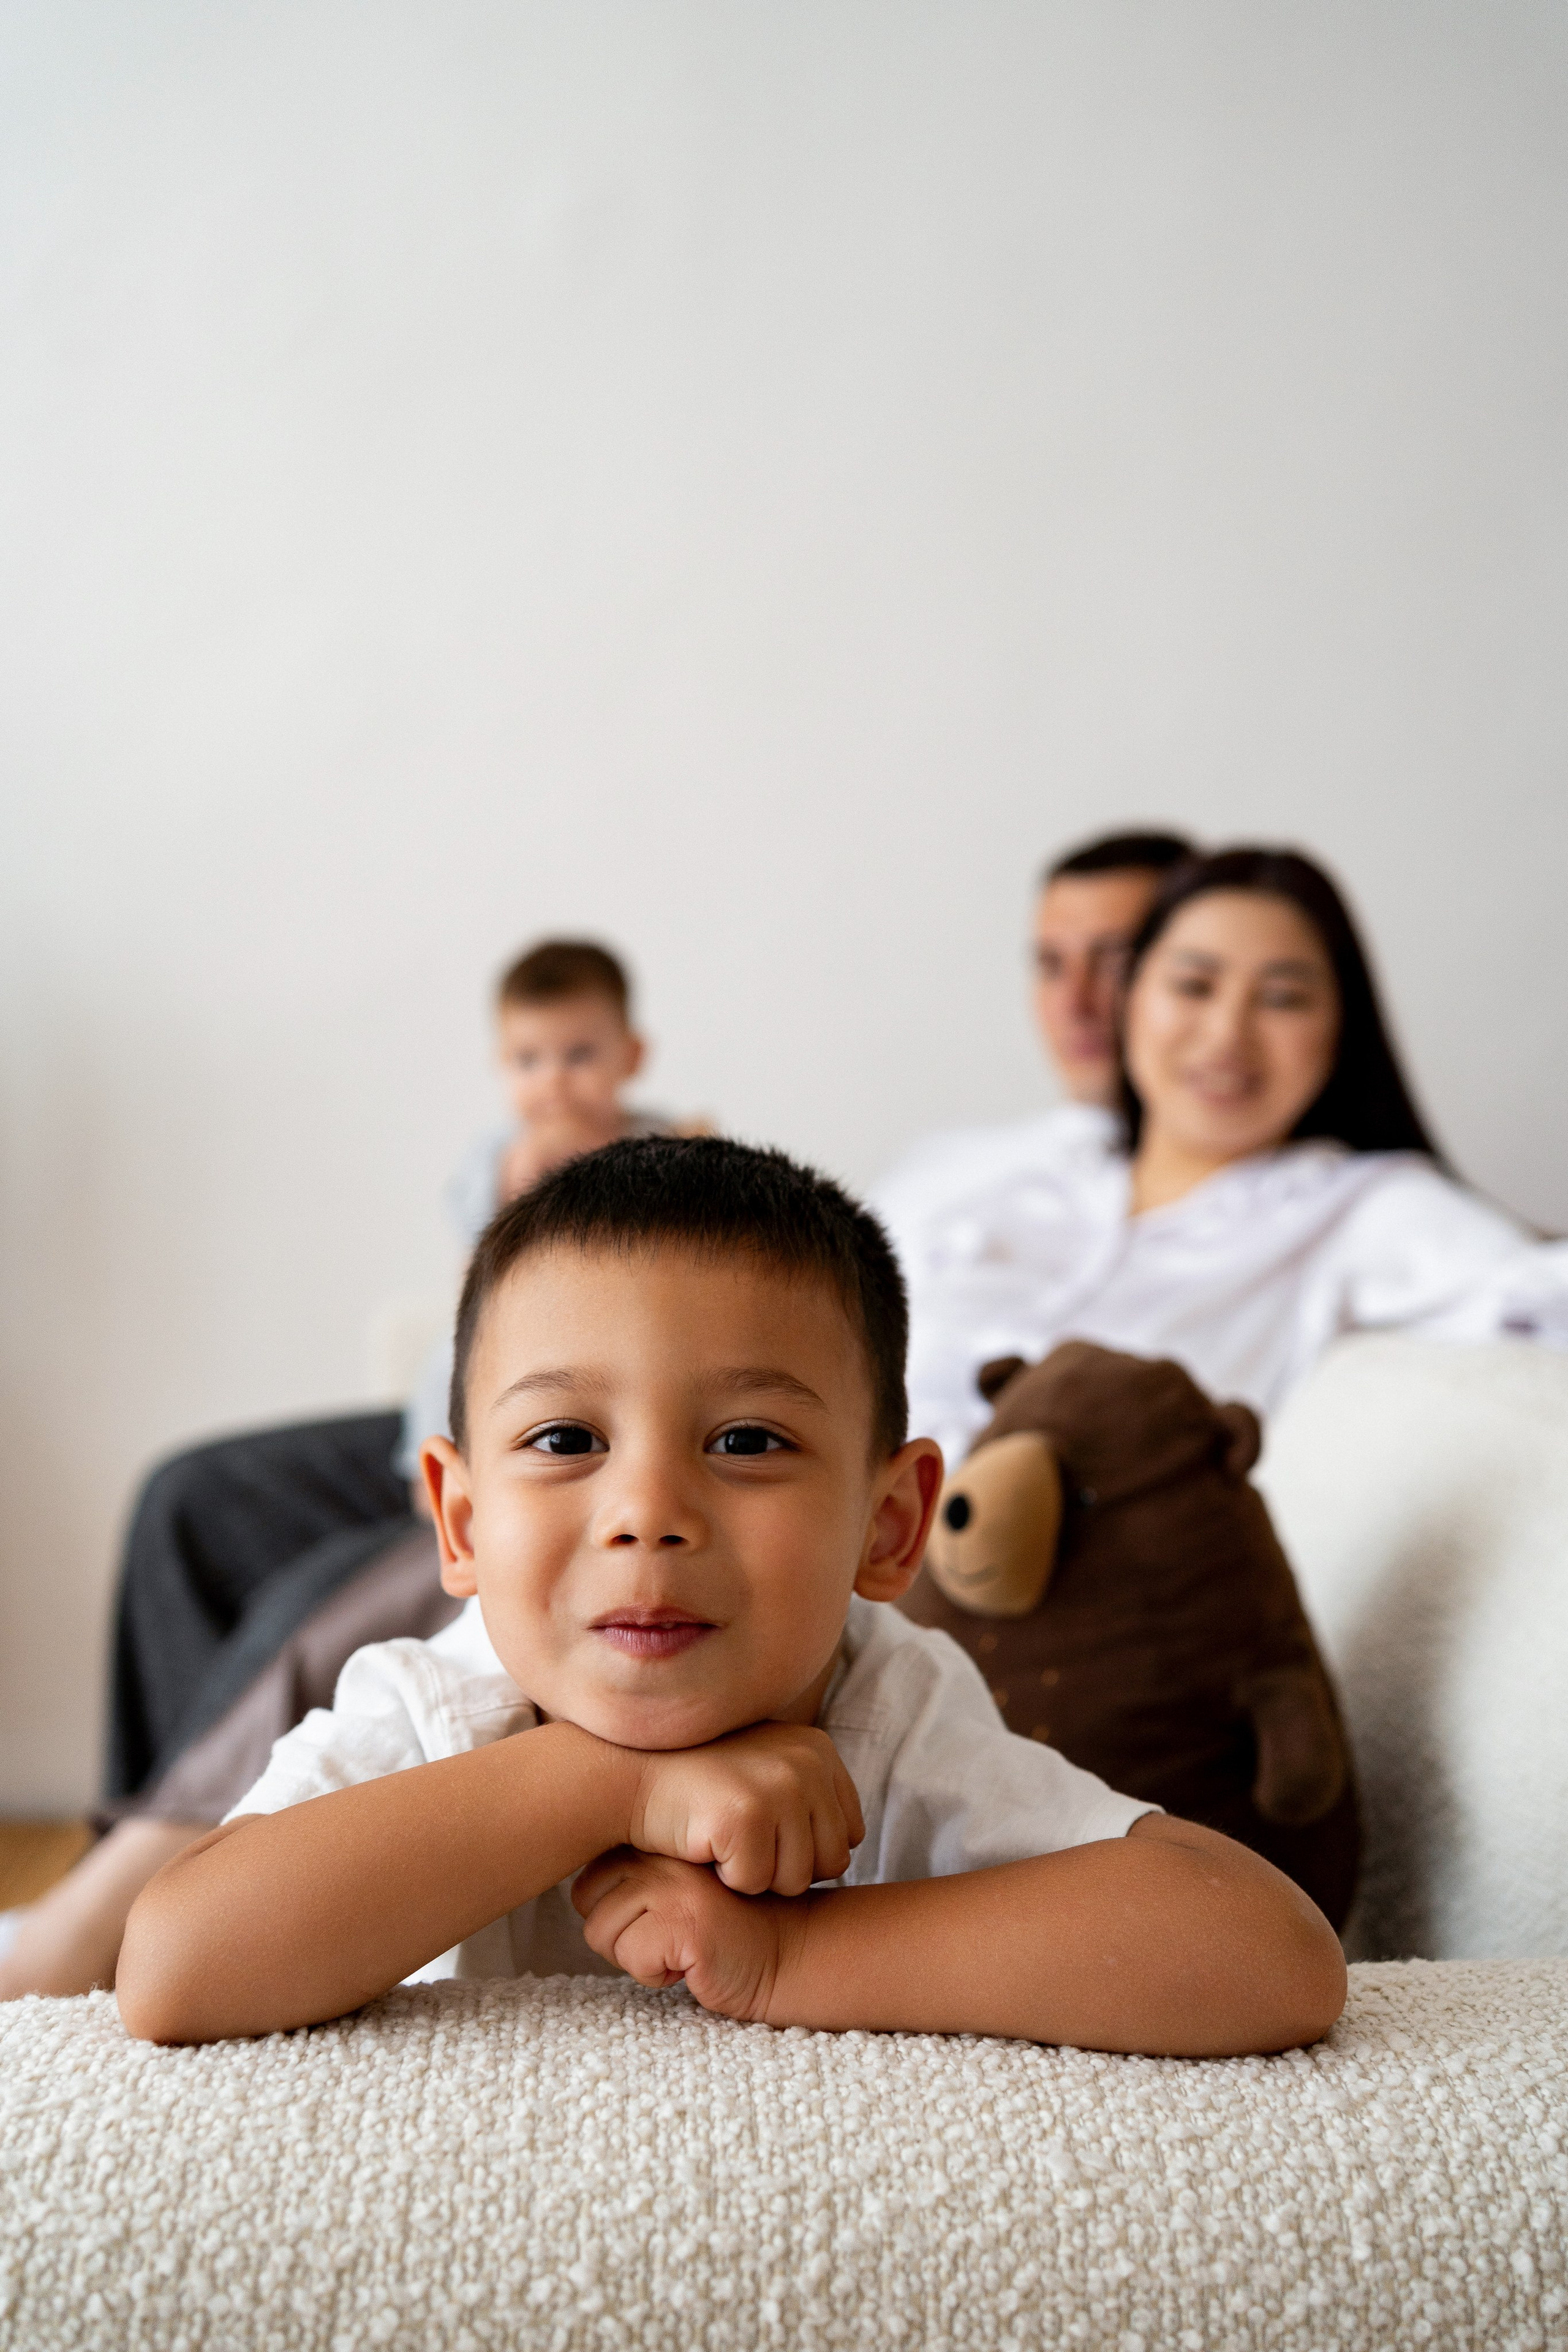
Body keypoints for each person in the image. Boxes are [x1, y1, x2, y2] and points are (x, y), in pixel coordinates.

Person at [116, 1136, 1345, 2055]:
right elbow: (173, 1969)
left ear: (889, 1525)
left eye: (748, 1441)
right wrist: (617, 1785)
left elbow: (1271, 1958)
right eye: (564, 1439)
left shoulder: (890, 1710)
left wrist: (788, 1957)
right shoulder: (437, 1706)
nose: (648, 1511)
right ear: (463, 1522)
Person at [0, 938, 690, 2000]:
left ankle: (160, 1890)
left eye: (581, 1056)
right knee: (191, 1497)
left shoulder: (676, 1158)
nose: (556, 1082)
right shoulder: (499, 1161)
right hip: (435, 1424)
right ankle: (140, 1845)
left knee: (307, 1596)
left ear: (632, 1055)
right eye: (531, 1060)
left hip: (520, 1446)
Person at [878, 846, 1568, 1469]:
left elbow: (1539, 1295)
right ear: (1132, 999)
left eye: (1283, 999)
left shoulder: (1360, 1207)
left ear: (1339, 1030)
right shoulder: (1015, 1175)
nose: (1226, 1035)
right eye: (1194, 986)